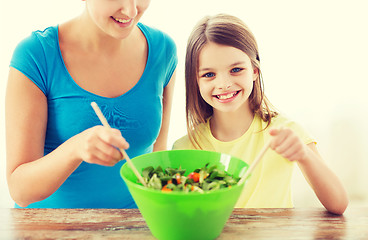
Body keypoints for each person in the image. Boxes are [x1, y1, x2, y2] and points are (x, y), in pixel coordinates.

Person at [6, 0, 177, 208]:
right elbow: (20, 190)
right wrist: (76, 148)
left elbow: (157, 156)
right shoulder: (36, 55)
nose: (131, 10)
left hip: (136, 225)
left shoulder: (163, 50)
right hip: (51, 228)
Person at [173, 14, 348, 215]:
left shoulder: (285, 132)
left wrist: (304, 154)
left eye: (236, 69)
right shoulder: (185, 148)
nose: (223, 84)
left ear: (255, 70)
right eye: (209, 74)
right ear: (195, 80)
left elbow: (339, 203)